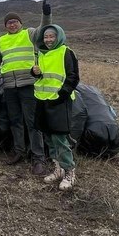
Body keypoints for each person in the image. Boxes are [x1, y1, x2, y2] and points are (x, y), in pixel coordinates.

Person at [0, 0, 52, 173]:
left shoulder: (29, 34)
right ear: (5, 26)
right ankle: (19, 151)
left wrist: (46, 14)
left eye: (15, 21)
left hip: (28, 84)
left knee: (32, 123)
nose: (12, 24)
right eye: (9, 22)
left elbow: (44, 29)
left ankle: (38, 158)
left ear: (21, 23)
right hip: (10, 86)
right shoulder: (1, 40)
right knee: (15, 121)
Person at [31, 24, 79, 190]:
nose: (49, 40)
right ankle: (57, 168)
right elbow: (43, 74)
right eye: (46, 37)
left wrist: (61, 95)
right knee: (49, 137)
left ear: (59, 37)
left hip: (59, 101)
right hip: (43, 99)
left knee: (59, 138)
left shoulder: (66, 52)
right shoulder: (42, 53)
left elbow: (73, 77)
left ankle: (69, 171)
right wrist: (35, 72)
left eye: (52, 36)